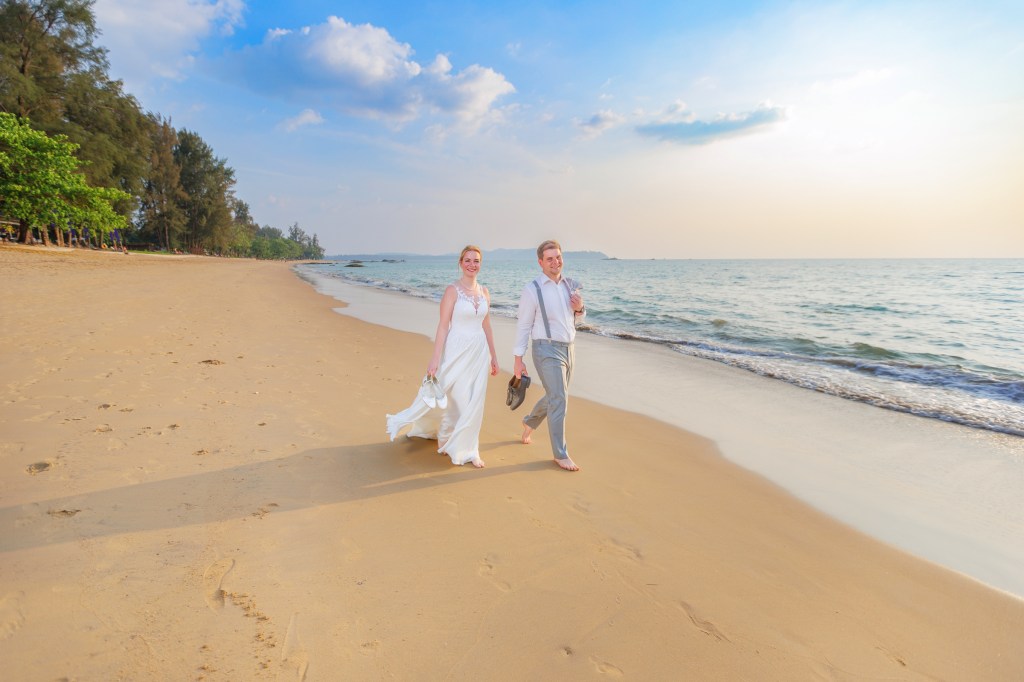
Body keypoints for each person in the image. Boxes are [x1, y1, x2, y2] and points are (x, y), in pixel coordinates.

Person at [386, 245, 499, 468]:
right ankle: (447, 439)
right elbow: (443, 326)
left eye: (476, 261)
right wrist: (435, 359)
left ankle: (469, 449)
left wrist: (494, 356)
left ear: (480, 264)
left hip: (478, 352)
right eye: (467, 260)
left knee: (474, 401)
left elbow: (487, 326)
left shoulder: (485, 292)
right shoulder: (452, 291)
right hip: (456, 350)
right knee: (457, 399)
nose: (472, 264)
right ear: (460, 263)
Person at [512, 240, 586, 471]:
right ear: (541, 262)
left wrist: (580, 308)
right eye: (550, 258)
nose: (556, 262)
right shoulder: (532, 289)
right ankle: (560, 454)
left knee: (557, 395)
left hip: (569, 347)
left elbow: (579, 321)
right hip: (545, 349)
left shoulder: (569, 286)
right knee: (560, 399)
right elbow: (523, 326)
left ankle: (529, 421)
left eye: (558, 257)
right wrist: (518, 359)